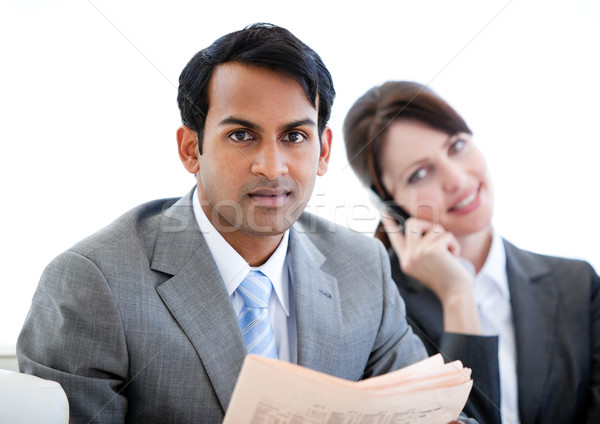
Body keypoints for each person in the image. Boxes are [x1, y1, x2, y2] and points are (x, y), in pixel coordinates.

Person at [16, 25, 475, 423]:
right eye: (242, 136)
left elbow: (429, 411)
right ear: (191, 150)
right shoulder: (91, 284)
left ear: (324, 150)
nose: (272, 167)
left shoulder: (362, 267)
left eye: (294, 136)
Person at [343, 80, 600, 424]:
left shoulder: (577, 284)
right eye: (420, 173)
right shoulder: (379, 309)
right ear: (388, 205)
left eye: (456, 146)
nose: (457, 179)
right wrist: (457, 296)